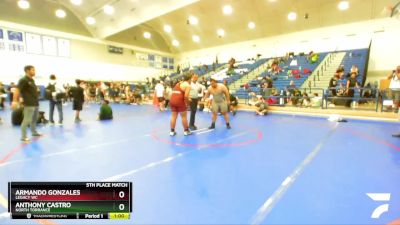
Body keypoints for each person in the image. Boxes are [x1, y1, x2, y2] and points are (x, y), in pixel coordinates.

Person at [11, 65, 42, 142]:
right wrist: (14, 101)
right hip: (29, 103)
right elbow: (17, 90)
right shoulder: (23, 80)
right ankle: (23, 137)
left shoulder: (32, 80)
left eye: (34, 70)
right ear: (27, 71)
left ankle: (34, 132)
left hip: (35, 103)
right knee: (27, 120)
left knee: (34, 119)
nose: (34, 72)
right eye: (33, 70)